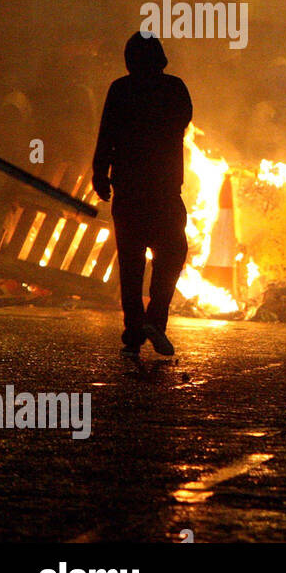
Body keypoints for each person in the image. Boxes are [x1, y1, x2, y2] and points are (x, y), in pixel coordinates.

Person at [92, 32, 193, 360]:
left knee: (132, 263)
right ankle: (155, 320)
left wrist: (100, 172)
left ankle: (135, 330)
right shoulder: (174, 88)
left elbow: (106, 132)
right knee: (173, 253)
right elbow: (182, 122)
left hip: (129, 191)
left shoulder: (121, 89)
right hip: (164, 192)